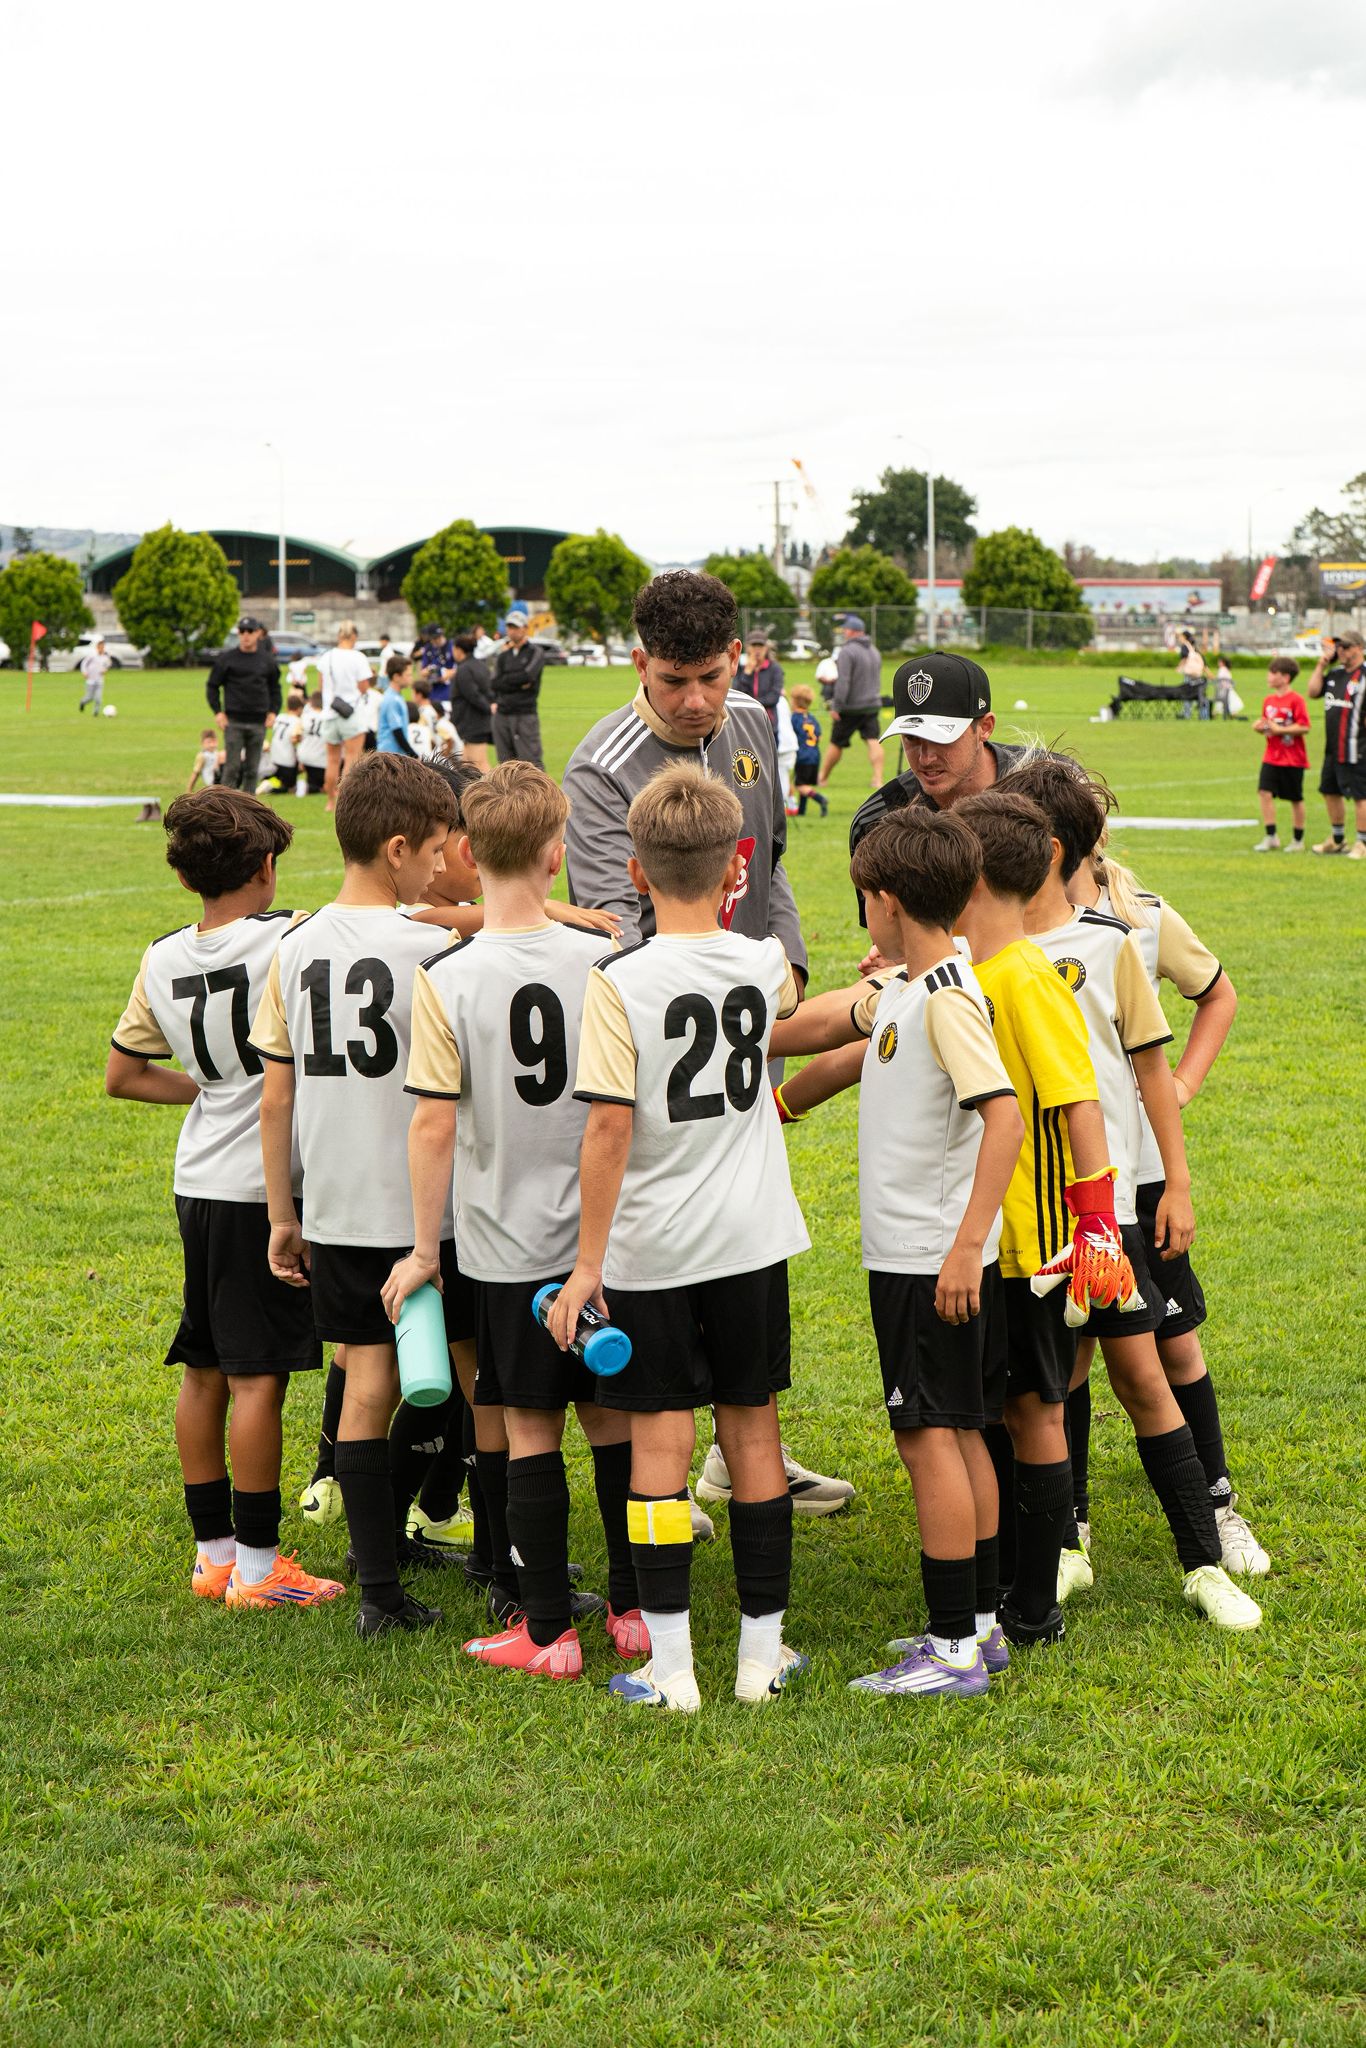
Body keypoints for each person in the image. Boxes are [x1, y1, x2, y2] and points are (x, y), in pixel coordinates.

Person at [561, 568, 851, 1524]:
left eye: (712, 678)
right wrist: (733, 997)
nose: (695, 702)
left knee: (740, 1241)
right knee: (663, 1247)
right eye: (674, 680)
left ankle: (740, 1454)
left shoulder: (756, 726)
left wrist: (787, 967)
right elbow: (617, 929)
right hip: (658, 1049)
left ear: (738, 659)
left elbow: (770, 864)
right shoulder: (601, 769)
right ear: (639, 663)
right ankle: (665, 1465)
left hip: (749, 1017)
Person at [549, 765, 813, 1711]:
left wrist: (586, 1264)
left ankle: (671, 1669)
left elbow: (608, 1126)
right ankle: (760, 1659)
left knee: (660, 1442)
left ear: (634, 871)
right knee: (753, 1431)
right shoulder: (765, 963)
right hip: (749, 1239)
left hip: (654, 1248)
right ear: (737, 869)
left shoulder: (618, 979)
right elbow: (790, 1017)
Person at [383, 762, 641, 1680]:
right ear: (556, 853)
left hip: (502, 1245)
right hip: (603, 1240)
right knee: (612, 1424)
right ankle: (632, 1609)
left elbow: (432, 1123)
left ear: (465, 851)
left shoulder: (448, 976)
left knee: (527, 1428)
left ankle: (546, 1631)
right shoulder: (607, 960)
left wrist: (424, 1248)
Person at [994, 758, 1262, 1631]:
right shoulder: (980, 953)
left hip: (1109, 1211)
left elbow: (1151, 1070)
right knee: (1052, 1384)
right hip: (1027, 1217)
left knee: (1144, 1371)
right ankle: (1066, 1544)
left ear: (1047, 849)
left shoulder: (1111, 944)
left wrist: (1175, 1183)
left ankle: (1204, 1561)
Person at [770, 809, 1023, 1697]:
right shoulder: (915, 987)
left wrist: (962, 1247)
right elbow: (844, 1050)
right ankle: (978, 1627)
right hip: (926, 1255)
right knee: (958, 1430)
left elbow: (1003, 1118)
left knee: (926, 1440)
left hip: (929, 1260)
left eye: (863, 898)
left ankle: (951, 1650)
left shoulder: (946, 997)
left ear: (885, 900)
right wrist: (778, 1106)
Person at [104, 788, 342, 1610]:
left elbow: (124, 1074)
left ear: (185, 877)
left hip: (197, 1181)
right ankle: (259, 1569)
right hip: (262, 1188)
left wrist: (210, 1090)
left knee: (203, 1367)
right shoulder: (294, 936)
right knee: (258, 1378)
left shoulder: (163, 955)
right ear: (267, 866)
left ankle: (214, 1556)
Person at [249, 752, 462, 1638]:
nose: (442, 867)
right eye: (436, 850)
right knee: (468, 1379)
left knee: (368, 1382)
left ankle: (378, 1591)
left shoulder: (292, 948)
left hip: (337, 1203)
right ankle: (492, 1562)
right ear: (398, 848)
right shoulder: (435, 949)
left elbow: (276, 1098)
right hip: (434, 1207)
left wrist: (283, 1214)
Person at [1065, 828, 1270, 1579]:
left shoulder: (1143, 918)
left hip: (1143, 1176)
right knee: (1070, 1352)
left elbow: (1218, 994)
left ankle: (1217, 1506)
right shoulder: (1014, 922)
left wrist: (1181, 1085)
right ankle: (1069, 1521)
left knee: (1174, 1341)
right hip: (1064, 1180)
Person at [1306, 628, 1366, 856]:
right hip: (1333, 748)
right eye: (1338, 647)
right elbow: (1313, 692)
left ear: (1359, 648)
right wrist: (1321, 665)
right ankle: (1338, 839)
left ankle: (1362, 842)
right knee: (1329, 791)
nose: (1341, 651)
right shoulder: (1335, 674)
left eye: (1346, 647)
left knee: (1361, 795)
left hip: (1357, 748)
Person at [205, 618, 281, 790]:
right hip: (234, 721)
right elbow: (212, 686)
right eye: (242, 631)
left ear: (258, 633)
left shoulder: (267, 660)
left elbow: (275, 688)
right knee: (231, 768)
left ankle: (248, 804)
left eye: (250, 631)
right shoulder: (227, 659)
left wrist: (273, 711)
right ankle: (226, 803)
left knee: (252, 770)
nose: (246, 635)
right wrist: (218, 712)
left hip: (258, 722)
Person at [1251, 656, 1310, 852]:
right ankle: (1271, 836)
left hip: (1293, 759)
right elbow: (1268, 723)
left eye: (1273, 673)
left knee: (1295, 798)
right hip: (1271, 756)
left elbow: (1304, 726)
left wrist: (1281, 730)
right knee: (1264, 792)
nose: (1268, 676)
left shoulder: (1296, 700)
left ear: (1285, 677)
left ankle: (1298, 840)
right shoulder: (1268, 701)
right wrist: (1261, 727)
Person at [819, 615, 884, 790]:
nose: (844, 632)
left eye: (846, 629)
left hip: (851, 707)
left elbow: (844, 681)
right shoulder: (874, 651)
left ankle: (822, 778)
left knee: (836, 742)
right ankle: (878, 779)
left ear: (853, 631)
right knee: (873, 740)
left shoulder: (847, 651)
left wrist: (837, 705)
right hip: (872, 704)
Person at [317, 620, 375, 810]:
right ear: (354, 636)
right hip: (351, 712)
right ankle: (345, 800)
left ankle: (330, 801)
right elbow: (364, 687)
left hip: (330, 712)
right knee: (352, 758)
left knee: (332, 760)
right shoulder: (358, 657)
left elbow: (321, 685)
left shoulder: (327, 657)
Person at [490, 615, 548, 767]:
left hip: (524, 714)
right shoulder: (503, 656)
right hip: (502, 714)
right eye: (510, 627)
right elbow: (494, 683)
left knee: (531, 764)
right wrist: (518, 683)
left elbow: (528, 676)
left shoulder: (535, 652)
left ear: (525, 629)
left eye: (516, 627)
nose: (512, 631)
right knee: (505, 766)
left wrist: (507, 680)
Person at [450, 632, 494, 772]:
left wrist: (488, 708)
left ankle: (494, 786)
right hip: (476, 723)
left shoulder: (464, 669)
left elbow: (473, 694)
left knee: (479, 764)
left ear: (458, 650)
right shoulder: (481, 666)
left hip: (473, 723)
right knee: (465, 764)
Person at [789, 683, 827, 817]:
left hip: (802, 756)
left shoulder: (794, 718)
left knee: (800, 785)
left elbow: (789, 735)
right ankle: (802, 811)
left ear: (795, 701)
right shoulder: (811, 718)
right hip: (814, 755)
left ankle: (820, 799)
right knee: (803, 782)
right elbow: (819, 736)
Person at [256, 691, 306, 795]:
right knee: (290, 789)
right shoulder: (298, 721)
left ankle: (269, 780)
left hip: (274, 760)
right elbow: (294, 739)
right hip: (288, 763)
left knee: (280, 779)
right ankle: (271, 788)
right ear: (299, 709)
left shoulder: (279, 717)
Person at [739, 630, 784, 727]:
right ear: (747, 648)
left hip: (768, 722)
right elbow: (738, 694)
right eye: (754, 645)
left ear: (766, 648)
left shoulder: (774, 668)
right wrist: (747, 673)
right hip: (745, 721)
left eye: (760, 645)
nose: (757, 649)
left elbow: (774, 697)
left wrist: (752, 704)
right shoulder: (740, 668)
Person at [376, 655, 418, 756]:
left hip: (395, 755)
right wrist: (413, 755)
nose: (411, 678)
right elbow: (397, 731)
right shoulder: (392, 699)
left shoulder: (397, 696)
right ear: (396, 677)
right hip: (389, 755)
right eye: (408, 675)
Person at [297, 691, 328, 795]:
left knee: (313, 782)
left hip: (304, 757)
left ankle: (303, 786)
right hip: (320, 760)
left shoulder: (305, 716)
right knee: (319, 787)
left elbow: (297, 736)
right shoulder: (327, 717)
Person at [1176, 630, 1207, 720]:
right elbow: (1202, 660)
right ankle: (1204, 714)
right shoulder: (1193, 647)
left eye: (1180, 636)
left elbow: (1185, 658)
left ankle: (1187, 713)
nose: (1179, 638)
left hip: (1189, 674)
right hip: (1197, 674)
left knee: (1187, 693)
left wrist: (1179, 667)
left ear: (1184, 637)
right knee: (1199, 693)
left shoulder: (1185, 646)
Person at [78, 636, 112, 713]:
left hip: (99, 680)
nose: (101, 648)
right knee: (90, 697)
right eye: (100, 647)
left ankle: (95, 713)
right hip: (90, 680)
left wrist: (105, 670)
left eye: (103, 647)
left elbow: (108, 664)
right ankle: (82, 702)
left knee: (98, 698)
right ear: (97, 647)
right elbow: (84, 663)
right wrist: (84, 672)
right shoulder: (92, 655)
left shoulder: (105, 657)